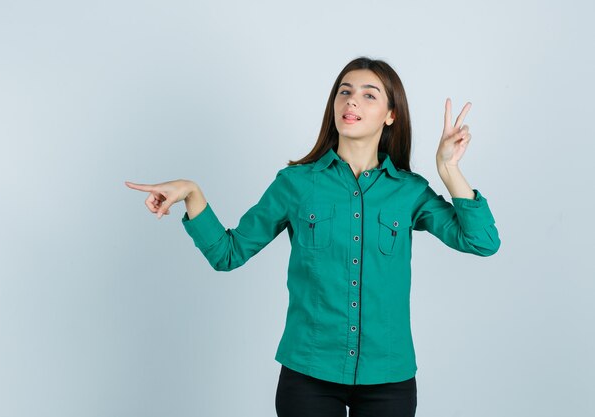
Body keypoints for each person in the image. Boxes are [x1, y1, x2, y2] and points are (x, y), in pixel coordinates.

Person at [125, 56, 500, 417]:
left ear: (391, 115)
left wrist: (449, 169)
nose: (352, 99)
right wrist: (193, 193)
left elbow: (482, 242)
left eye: (369, 94)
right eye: (344, 91)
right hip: (308, 375)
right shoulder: (296, 184)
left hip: (389, 376)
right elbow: (228, 254)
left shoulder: (409, 192)